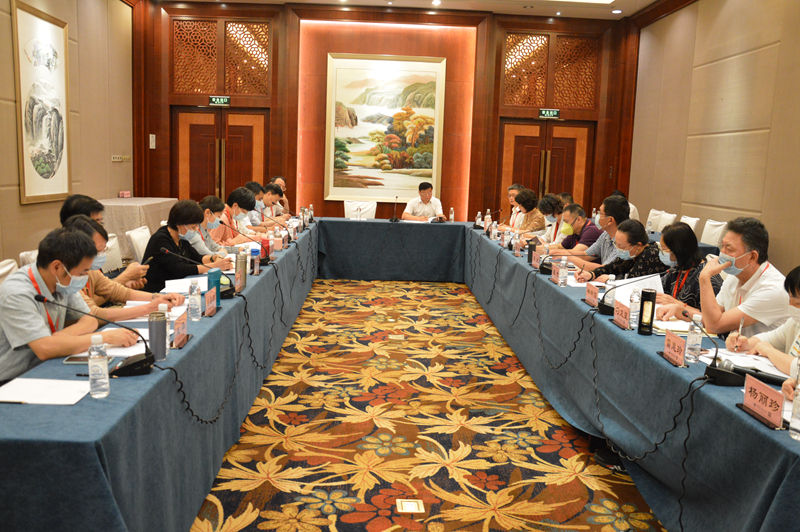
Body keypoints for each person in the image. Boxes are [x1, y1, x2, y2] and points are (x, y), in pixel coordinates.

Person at [0, 228, 138, 383]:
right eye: (82, 273)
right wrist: (104, 337)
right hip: (13, 379)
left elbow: (90, 319)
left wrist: (59, 338)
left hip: (52, 363)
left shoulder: (61, 281)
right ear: (57, 267)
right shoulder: (17, 292)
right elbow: (44, 349)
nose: (85, 278)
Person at [657, 217, 788, 336]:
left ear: (752, 257)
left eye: (729, 249)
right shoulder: (735, 275)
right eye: (722, 246)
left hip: (758, 353)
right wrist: (678, 309)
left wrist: (704, 277)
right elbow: (710, 318)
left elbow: (714, 326)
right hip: (736, 349)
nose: (722, 253)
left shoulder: (772, 289)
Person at [63, 215, 185, 321]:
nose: (101, 254)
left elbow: (118, 291)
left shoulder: (91, 271)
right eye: (98, 251)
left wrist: (156, 297)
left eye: (103, 250)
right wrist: (149, 307)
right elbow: (93, 314)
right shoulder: (67, 275)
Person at [141, 200, 233, 293]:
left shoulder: (181, 237)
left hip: (177, 286)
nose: (196, 230)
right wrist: (214, 266)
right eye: (193, 227)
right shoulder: (161, 240)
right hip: (158, 291)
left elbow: (197, 258)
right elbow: (180, 269)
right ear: (179, 224)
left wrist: (213, 258)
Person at [724, 266, 800, 378]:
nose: (791, 306)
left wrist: (769, 351)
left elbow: (797, 368)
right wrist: (744, 344)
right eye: (789, 300)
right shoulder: (795, 322)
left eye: (797, 303)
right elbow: (770, 338)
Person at [60, 193, 149, 288]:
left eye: (100, 222)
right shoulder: (67, 260)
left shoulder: (88, 253)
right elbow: (92, 295)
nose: (100, 228)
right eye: (95, 223)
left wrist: (124, 283)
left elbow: (100, 288)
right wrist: (125, 277)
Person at [655, 222, 723, 311]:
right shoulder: (677, 269)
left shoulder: (708, 278)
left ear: (678, 250)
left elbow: (711, 316)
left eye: (663, 249)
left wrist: (677, 304)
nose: (661, 252)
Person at [576, 219, 667, 282]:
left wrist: (610, 280)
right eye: (616, 244)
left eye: (621, 246)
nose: (618, 249)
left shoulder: (651, 254)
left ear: (638, 245)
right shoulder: (631, 253)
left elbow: (631, 281)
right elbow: (610, 267)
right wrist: (591, 274)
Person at [567, 194, 629, 272]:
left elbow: (604, 269)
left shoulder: (623, 242)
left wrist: (572, 259)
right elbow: (586, 255)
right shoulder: (605, 235)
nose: (597, 216)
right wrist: (559, 253)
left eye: (600, 213)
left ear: (610, 220)